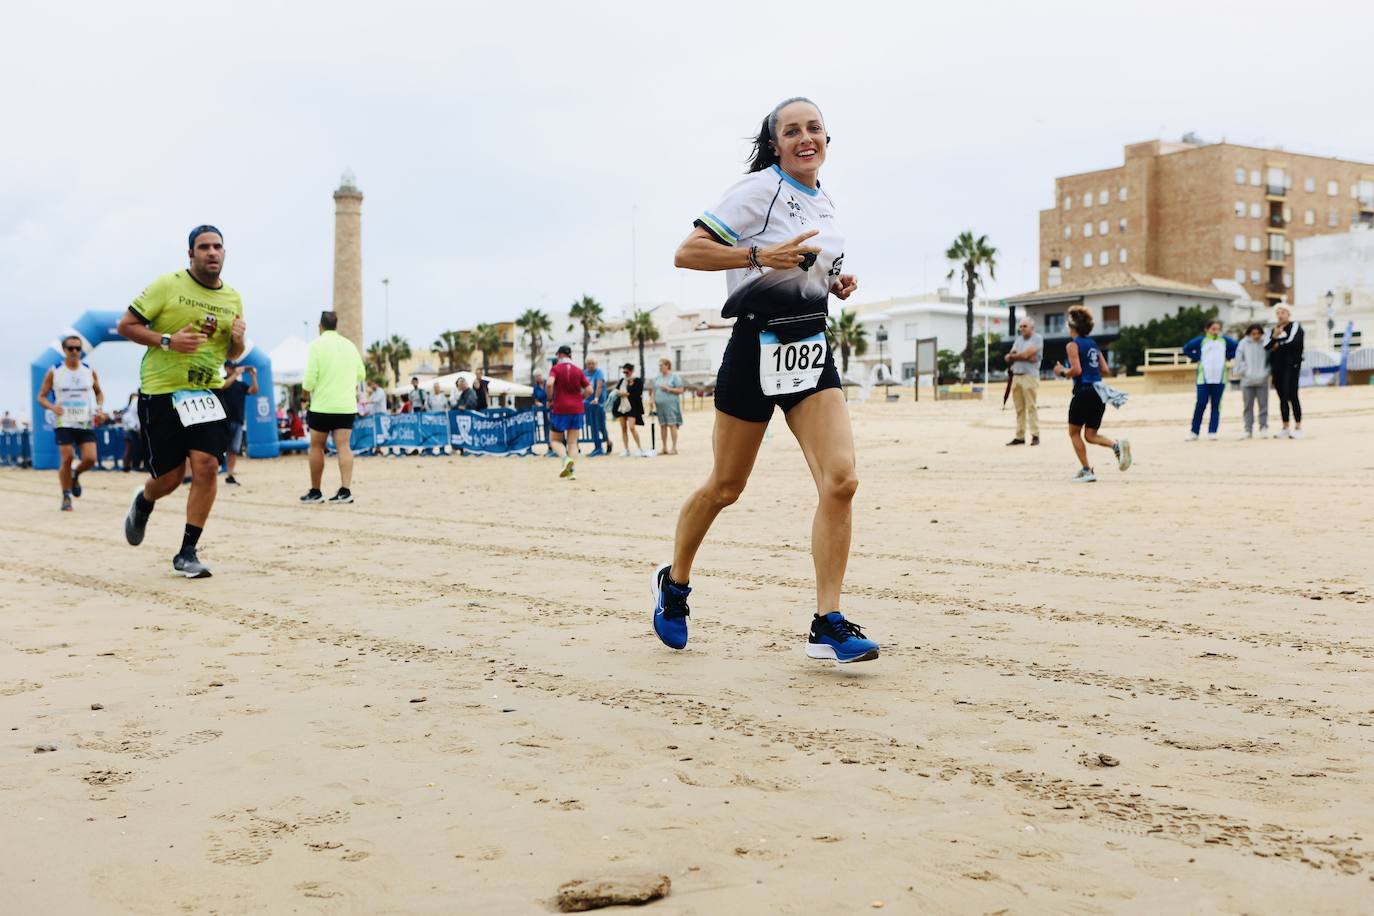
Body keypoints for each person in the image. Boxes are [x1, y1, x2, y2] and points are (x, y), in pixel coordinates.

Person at [652, 96, 879, 665]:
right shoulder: (759, 189)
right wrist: (758, 256)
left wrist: (832, 283)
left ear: (827, 138)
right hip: (756, 346)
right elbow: (688, 252)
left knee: (842, 480)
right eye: (792, 131)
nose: (806, 138)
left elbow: (801, 268)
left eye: (815, 128)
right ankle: (674, 584)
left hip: (809, 345)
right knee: (726, 487)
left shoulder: (825, 200)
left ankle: (827, 622)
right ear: (774, 144)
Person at [117, 224, 245, 578]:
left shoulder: (232, 298)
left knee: (207, 466)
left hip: (206, 392)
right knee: (170, 478)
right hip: (162, 392)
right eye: (204, 247)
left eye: (217, 246)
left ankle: (188, 551)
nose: (212, 252)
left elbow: (231, 353)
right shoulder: (167, 285)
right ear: (191, 254)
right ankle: (144, 501)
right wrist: (168, 341)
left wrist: (238, 341)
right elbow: (126, 326)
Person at [1053, 305, 1131, 482]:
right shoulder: (1093, 344)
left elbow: (1077, 370)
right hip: (1099, 392)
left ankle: (1087, 470)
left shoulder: (1072, 345)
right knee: (1090, 435)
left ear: (1071, 326)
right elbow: (1105, 369)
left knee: (1074, 433)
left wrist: (1061, 371)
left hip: (1084, 391)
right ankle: (1116, 445)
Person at [300, 311, 365, 504]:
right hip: (345, 406)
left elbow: (309, 379)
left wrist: (304, 398)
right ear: (336, 326)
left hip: (322, 405)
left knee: (316, 446)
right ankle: (345, 491)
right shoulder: (349, 345)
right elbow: (361, 374)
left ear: (320, 326)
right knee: (344, 446)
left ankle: (316, 491)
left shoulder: (316, 345)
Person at [36, 334, 105, 511]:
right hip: (64, 422)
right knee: (67, 458)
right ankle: (66, 496)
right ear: (64, 350)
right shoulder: (55, 371)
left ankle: (75, 474)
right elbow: (41, 397)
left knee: (90, 459)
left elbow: (99, 393)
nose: (74, 351)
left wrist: (99, 408)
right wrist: (52, 407)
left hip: (84, 421)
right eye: (71, 348)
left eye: (78, 348)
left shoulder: (89, 370)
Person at [1182, 318, 1238, 441]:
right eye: (1213, 329)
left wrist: (1228, 356)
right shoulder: (1201, 340)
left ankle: (1212, 431)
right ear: (1207, 329)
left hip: (1219, 378)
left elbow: (1237, 347)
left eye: (1218, 329)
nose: (1215, 331)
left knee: (1216, 405)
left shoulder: (1224, 340)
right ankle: (1194, 431)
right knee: (1201, 403)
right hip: (1204, 378)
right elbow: (1186, 348)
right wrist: (1197, 357)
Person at [546, 345, 591, 479]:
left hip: (560, 408)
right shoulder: (578, 370)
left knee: (554, 440)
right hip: (577, 409)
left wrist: (549, 399)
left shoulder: (556, 369)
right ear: (570, 355)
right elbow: (589, 390)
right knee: (572, 443)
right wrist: (580, 398)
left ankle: (565, 459)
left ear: (559, 355)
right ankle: (572, 472)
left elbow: (549, 384)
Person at [216, 361, 257, 485]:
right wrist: (235, 374)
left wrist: (253, 377)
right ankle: (214, 473)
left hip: (238, 421)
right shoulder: (221, 381)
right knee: (218, 449)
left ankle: (230, 475)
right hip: (223, 421)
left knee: (233, 450)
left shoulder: (240, 385)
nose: (233, 369)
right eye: (231, 367)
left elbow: (254, 391)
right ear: (225, 368)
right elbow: (223, 386)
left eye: (235, 367)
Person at [1266, 305, 1304, 439]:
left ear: (1288, 313)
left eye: (1282, 312)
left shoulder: (1295, 326)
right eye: (1278, 313)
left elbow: (1293, 342)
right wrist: (1274, 337)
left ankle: (1298, 427)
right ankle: (1285, 426)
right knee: (1282, 397)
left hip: (1291, 366)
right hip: (1278, 367)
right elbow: (1267, 346)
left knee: (1293, 395)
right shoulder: (1274, 330)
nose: (1280, 315)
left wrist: (1278, 344)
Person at [1005, 317, 1042, 446]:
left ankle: (1035, 435)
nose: (1022, 329)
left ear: (1032, 327)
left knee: (1031, 406)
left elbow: (1025, 355)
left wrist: (1015, 356)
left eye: (1024, 326)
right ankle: (1019, 436)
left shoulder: (1037, 339)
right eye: (1020, 326)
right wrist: (1020, 356)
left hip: (1029, 376)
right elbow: (1010, 356)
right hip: (1016, 376)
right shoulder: (1018, 339)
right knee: (1019, 408)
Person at [1232, 323, 1270, 439]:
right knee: (1248, 406)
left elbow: (1270, 359)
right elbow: (1238, 360)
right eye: (1253, 334)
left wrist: (1266, 372)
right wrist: (1244, 371)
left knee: (1263, 405)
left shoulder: (1265, 343)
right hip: (1247, 381)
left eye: (1258, 333)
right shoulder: (1243, 343)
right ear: (1249, 334)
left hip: (1262, 380)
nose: (1256, 336)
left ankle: (1263, 427)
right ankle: (1248, 429)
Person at [611, 363, 647, 456]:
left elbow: (638, 393)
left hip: (632, 406)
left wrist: (628, 390)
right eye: (624, 372)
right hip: (622, 406)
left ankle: (639, 448)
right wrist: (621, 393)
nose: (625, 374)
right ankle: (626, 449)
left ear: (631, 371)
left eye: (627, 372)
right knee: (623, 428)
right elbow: (616, 391)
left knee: (632, 427)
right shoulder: (622, 381)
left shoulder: (637, 380)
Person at [652, 358, 685, 455]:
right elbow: (654, 390)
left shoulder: (674, 376)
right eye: (659, 365)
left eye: (661, 365)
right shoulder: (657, 378)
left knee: (672, 425)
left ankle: (674, 447)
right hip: (660, 407)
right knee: (662, 426)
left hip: (671, 405)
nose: (660, 367)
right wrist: (652, 399)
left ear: (667, 366)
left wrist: (669, 389)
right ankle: (664, 447)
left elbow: (681, 390)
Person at [583, 357, 608, 456]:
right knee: (592, 425)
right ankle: (599, 447)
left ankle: (604, 443)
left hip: (598, 403)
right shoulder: (584, 373)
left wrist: (596, 398)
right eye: (589, 363)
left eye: (592, 363)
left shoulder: (599, 372)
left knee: (600, 425)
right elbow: (582, 386)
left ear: (596, 364)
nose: (590, 365)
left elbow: (599, 386)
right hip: (588, 403)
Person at [120, 393, 144, 472]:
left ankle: (128, 466)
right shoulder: (128, 409)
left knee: (131, 450)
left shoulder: (130, 408)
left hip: (131, 431)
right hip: (129, 431)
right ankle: (126, 466)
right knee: (128, 449)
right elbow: (130, 421)